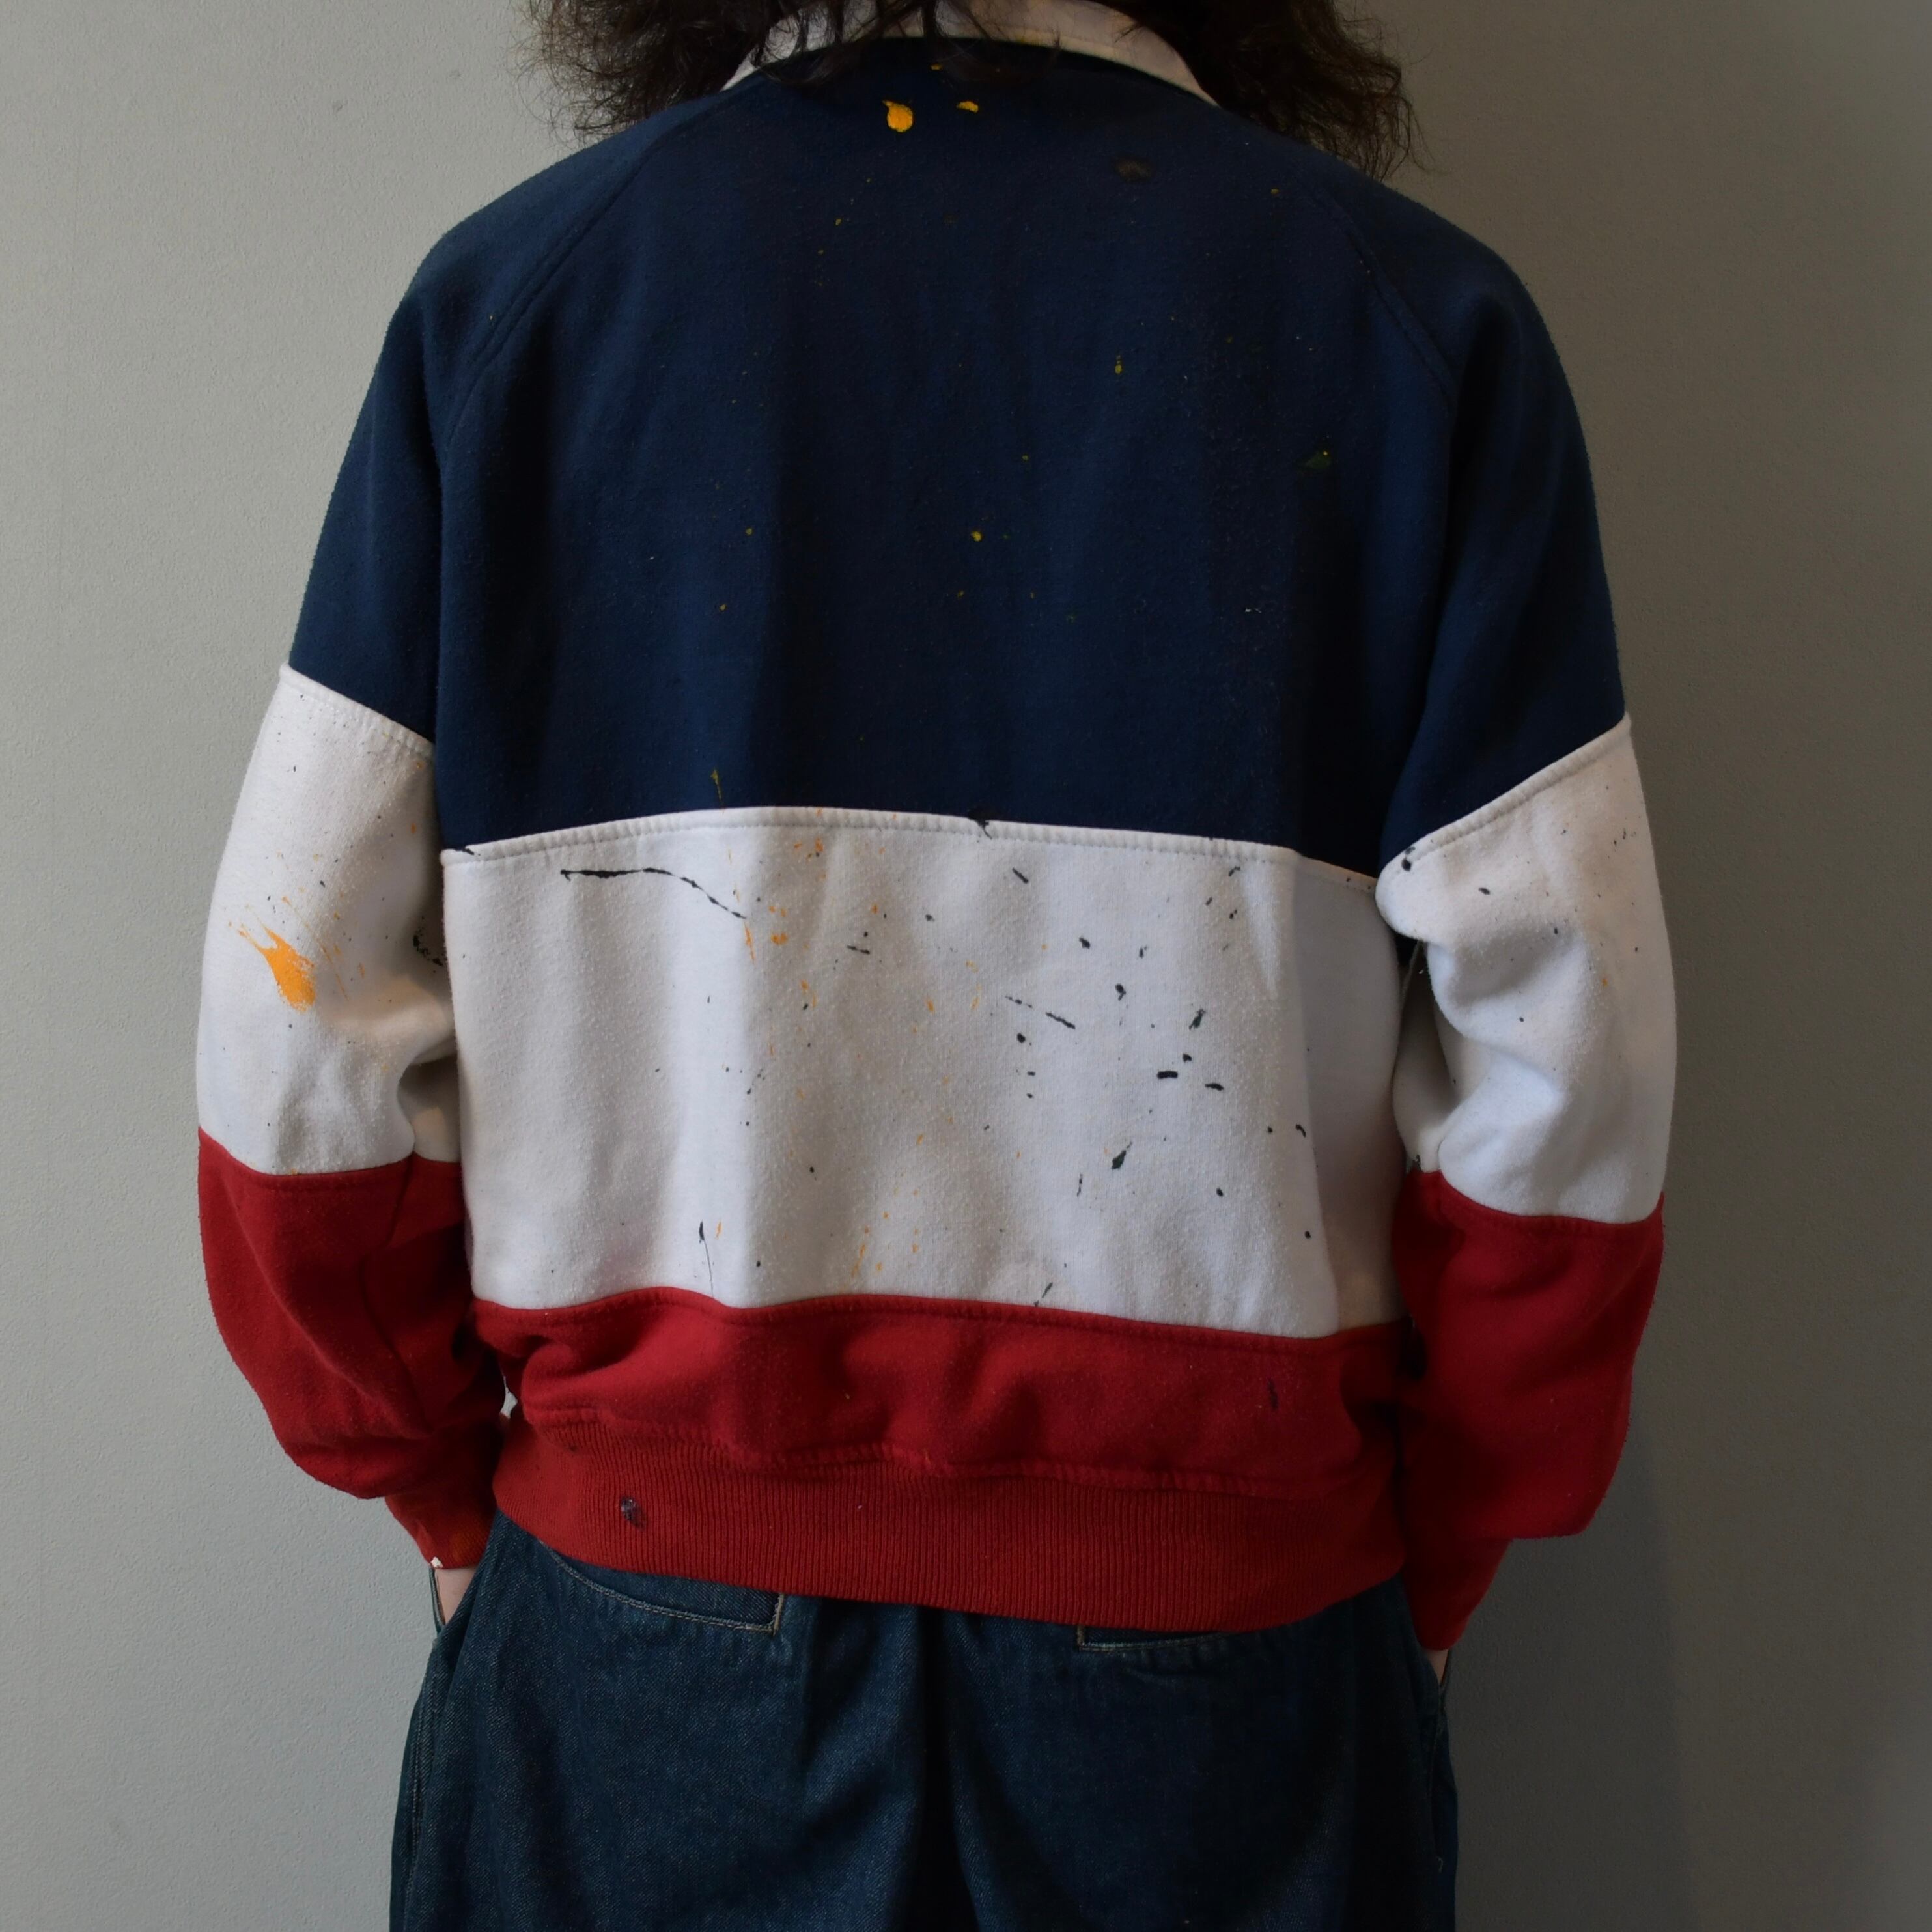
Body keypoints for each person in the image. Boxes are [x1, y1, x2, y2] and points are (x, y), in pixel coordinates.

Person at [194, 0, 1676, 1924]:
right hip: (1227, 1672)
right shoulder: (1414, 324)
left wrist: (431, 1482)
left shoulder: (518, 309)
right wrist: (1452, 1539)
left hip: (644, 1645)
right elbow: (1571, 1071)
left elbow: (296, 1037)